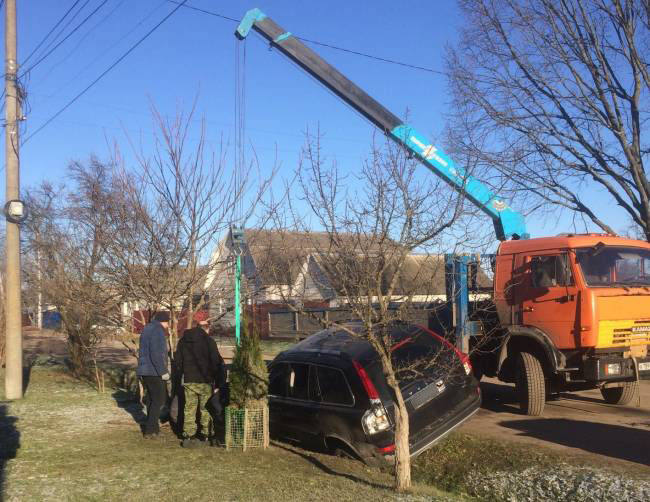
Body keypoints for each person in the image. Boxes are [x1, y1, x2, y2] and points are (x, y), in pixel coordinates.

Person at [175, 315, 226, 448]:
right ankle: (205, 434)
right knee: (205, 408)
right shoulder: (209, 342)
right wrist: (217, 380)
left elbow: (178, 361)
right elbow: (216, 362)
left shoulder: (183, 341)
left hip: (189, 380)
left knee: (189, 408)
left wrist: (182, 374)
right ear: (207, 329)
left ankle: (188, 435)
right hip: (205, 380)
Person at [136, 311, 171, 438]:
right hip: (154, 371)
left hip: (145, 370)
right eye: (168, 323)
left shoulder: (147, 328)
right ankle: (150, 430)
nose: (168, 326)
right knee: (159, 400)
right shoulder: (157, 331)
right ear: (164, 321)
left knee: (151, 399)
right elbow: (156, 353)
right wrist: (163, 372)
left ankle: (153, 429)